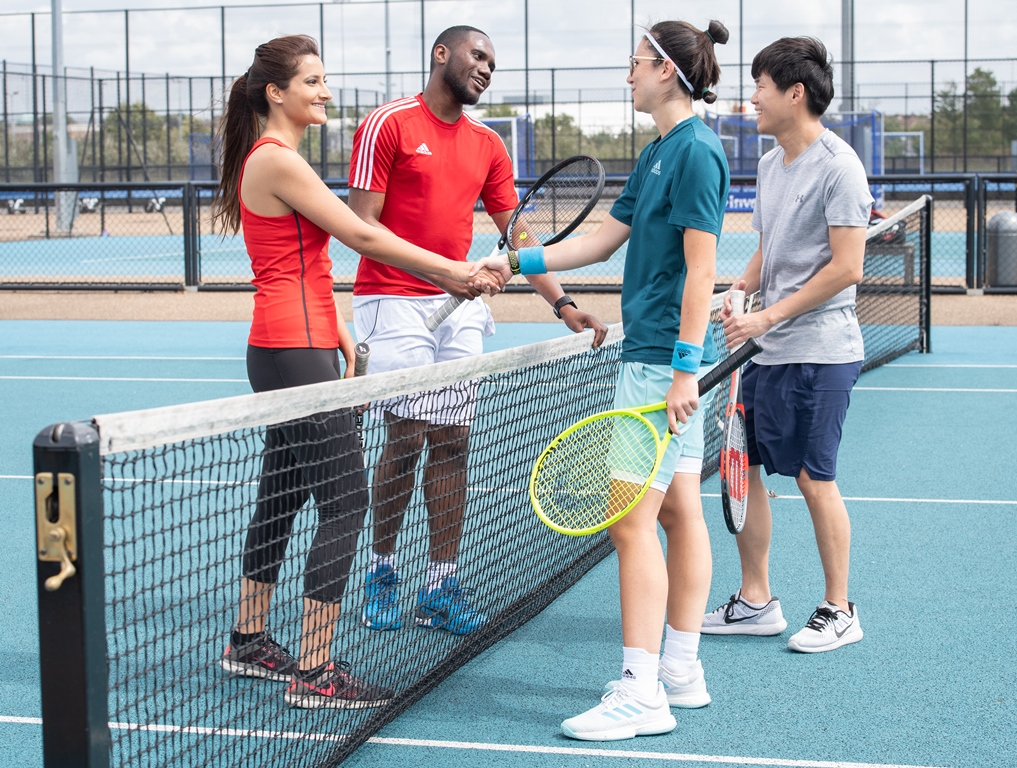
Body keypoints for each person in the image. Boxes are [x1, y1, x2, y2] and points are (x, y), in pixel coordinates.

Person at [212, 34, 499, 710]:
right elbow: (363, 235)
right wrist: (454, 271)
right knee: (346, 504)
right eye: (312, 81)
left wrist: (341, 334)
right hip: (293, 351)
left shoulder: (276, 158)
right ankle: (315, 671)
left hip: (294, 346)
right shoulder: (277, 159)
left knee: (281, 497)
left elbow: (304, 265)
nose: (326, 92)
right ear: (275, 93)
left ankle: (248, 639)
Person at [482, 19, 730, 741]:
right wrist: (516, 263)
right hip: (660, 359)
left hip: (661, 363)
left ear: (666, 71)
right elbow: (600, 241)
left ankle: (640, 691)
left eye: (635, 64)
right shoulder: (659, 150)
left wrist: (683, 370)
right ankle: (679, 669)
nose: (628, 75)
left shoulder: (695, 152)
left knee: (629, 525)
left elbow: (702, 270)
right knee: (679, 513)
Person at [347, 25, 607, 637]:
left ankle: (440, 585)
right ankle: (382, 572)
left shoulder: (489, 144)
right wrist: (445, 272)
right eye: (478, 55)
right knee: (406, 438)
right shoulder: (388, 124)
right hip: (393, 302)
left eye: (494, 62)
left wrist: (564, 303)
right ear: (442, 54)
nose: (487, 67)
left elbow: (519, 234)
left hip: (458, 305)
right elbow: (361, 224)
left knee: (454, 442)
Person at [700, 37, 872, 653]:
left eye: (760, 86)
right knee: (743, 469)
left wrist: (767, 316)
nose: (751, 98)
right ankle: (755, 601)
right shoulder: (772, 164)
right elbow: (770, 247)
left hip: (822, 353)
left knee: (812, 478)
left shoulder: (840, 167)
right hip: (766, 351)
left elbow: (847, 267)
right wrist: (739, 288)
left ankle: (839, 608)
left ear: (794, 93)